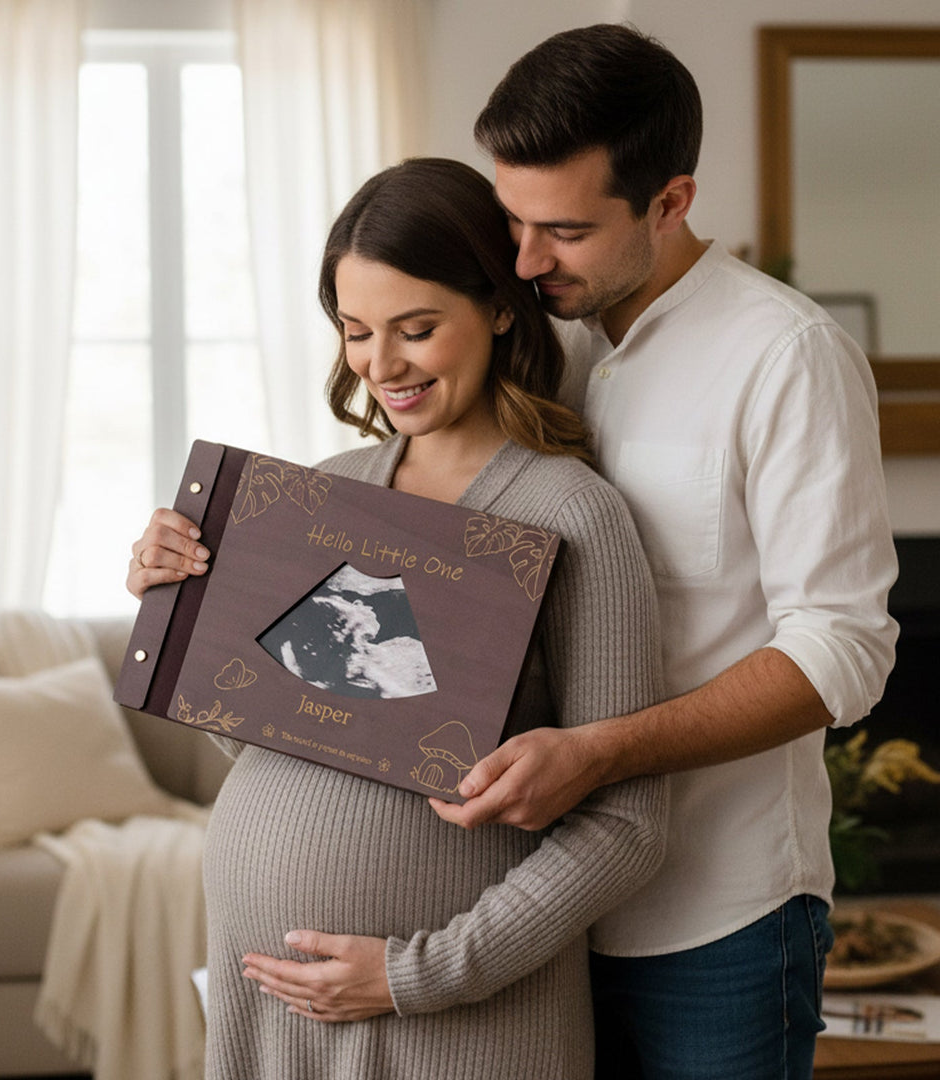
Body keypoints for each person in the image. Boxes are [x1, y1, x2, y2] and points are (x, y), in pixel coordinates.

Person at [418, 23, 897, 1079]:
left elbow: (844, 653)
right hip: (534, 904)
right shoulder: (537, 340)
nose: (529, 258)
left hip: (720, 921)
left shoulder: (787, 357)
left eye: (568, 231)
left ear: (671, 202)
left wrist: (601, 753)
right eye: (512, 221)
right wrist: (200, 555)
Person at [129, 157, 668, 1079]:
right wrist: (174, 600)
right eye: (356, 332)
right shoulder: (325, 495)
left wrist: (416, 976)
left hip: (454, 1026)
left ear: (500, 308)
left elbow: (629, 825)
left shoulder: (571, 515)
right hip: (275, 1018)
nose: (381, 366)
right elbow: (283, 737)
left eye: (416, 329)